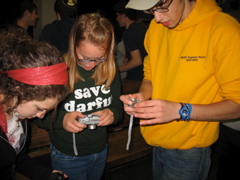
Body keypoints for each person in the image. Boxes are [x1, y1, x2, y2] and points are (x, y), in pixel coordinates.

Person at [119, 0, 240, 180]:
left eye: (161, 6)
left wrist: (179, 111)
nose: (157, 18)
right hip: (156, 139)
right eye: (151, 10)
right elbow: (150, 75)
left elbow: (237, 105)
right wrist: (142, 96)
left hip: (189, 149)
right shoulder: (155, 27)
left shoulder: (224, 29)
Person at [34, 13, 123, 180]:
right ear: (73, 44)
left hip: (101, 150)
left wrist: (112, 114)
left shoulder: (110, 71)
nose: (90, 65)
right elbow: (37, 116)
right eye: (84, 58)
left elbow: (117, 107)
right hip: (68, 155)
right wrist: (63, 120)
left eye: (99, 59)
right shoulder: (59, 71)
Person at [0, 27, 69, 179]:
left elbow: (16, 158)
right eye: (39, 108)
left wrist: (45, 174)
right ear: (17, 90)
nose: (41, 115)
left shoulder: (17, 113)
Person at [113, 1, 148, 88]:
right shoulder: (142, 28)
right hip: (146, 75)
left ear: (123, 15)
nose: (117, 19)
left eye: (118, 16)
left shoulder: (128, 33)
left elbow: (137, 61)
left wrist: (116, 70)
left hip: (136, 77)